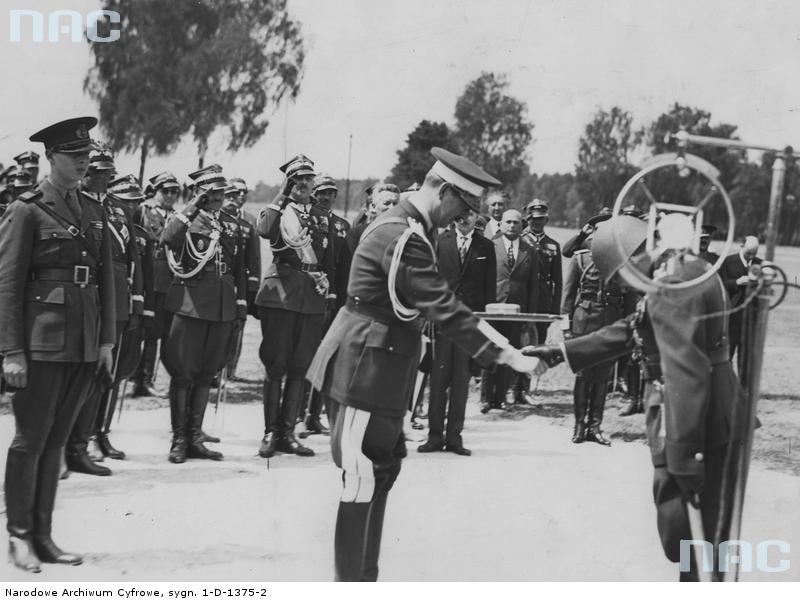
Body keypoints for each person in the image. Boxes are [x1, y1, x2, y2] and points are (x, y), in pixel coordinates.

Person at [306, 147, 544, 581]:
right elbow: (444, 307)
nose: (460, 219)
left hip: (380, 367)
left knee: (380, 471)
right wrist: (509, 356)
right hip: (364, 368)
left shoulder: (411, 226)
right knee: (361, 477)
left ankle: (364, 578)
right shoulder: (403, 235)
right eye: (461, 207)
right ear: (445, 191)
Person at [524, 215, 744, 581]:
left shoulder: (673, 283)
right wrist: (561, 352)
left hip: (696, 419)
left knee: (697, 528)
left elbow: (686, 372)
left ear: (632, 258)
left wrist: (685, 455)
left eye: (620, 276)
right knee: (692, 531)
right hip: (697, 413)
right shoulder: (676, 271)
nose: (624, 287)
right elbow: (635, 329)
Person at [0, 117, 116, 572]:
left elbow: (106, 279)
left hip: (84, 341)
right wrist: (10, 351)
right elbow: (7, 286)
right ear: (51, 157)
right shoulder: (27, 209)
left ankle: (45, 535)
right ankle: (19, 536)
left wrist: (106, 341)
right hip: (42, 342)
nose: (84, 162)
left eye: (87, 155)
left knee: (57, 441)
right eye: (75, 156)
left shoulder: (93, 207)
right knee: (30, 441)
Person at [160, 166, 247, 463]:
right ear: (199, 193)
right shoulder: (186, 219)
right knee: (183, 374)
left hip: (222, 304)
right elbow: (168, 238)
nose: (218, 197)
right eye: (211, 192)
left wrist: (240, 304)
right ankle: (179, 439)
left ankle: (196, 436)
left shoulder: (231, 223)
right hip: (191, 303)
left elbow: (239, 267)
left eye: (221, 192)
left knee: (207, 373)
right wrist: (194, 204)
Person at [64, 148, 143, 476]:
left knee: (104, 376)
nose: (102, 177)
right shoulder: (74, 204)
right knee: (75, 378)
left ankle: (89, 440)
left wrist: (137, 302)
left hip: (116, 302)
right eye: (97, 172)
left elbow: (133, 258)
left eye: (108, 173)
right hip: (86, 302)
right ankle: (66, 446)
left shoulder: (117, 208)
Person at [254, 155, 335, 458]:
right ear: (288, 182)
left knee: (300, 367)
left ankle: (288, 432)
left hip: (311, 298)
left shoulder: (321, 215)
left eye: (307, 177)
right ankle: (270, 432)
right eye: (296, 178)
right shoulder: (277, 210)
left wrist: (328, 292)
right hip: (281, 296)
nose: (303, 183)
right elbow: (265, 230)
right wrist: (281, 194)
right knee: (276, 367)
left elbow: (326, 259)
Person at [418, 207, 496, 455]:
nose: (464, 220)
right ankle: (434, 436)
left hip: (469, 323)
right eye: (460, 216)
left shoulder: (486, 247)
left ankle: (455, 438)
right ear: (453, 218)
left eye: (470, 216)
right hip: (442, 322)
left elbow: (489, 290)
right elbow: (432, 281)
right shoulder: (442, 242)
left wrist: (484, 325)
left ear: (477, 218)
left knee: (460, 382)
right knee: (438, 380)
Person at [560, 224, 629, 445]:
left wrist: (627, 328)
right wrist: (566, 328)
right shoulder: (581, 259)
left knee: (602, 378)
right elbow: (568, 295)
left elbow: (629, 298)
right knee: (583, 376)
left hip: (610, 323)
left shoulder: (622, 261)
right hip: (584, 323)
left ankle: (595, 426)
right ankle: (579, 427)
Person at [300, 173, 352, 437]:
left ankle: (313, 414)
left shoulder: (343, 225)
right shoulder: (304, 220)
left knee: (326, 359)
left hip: (333, 303)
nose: (326, 197)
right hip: (307, 298)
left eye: (331, 192)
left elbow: (344, 269)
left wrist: (342, 302)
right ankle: (297, 413)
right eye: (321, 192)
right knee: (304, 356)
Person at [480, 209, 539, 413]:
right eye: (508, 222)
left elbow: (533, 285)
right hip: (493, 308)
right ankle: (486, 398)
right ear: (501, 224)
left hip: (517, 310)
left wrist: (529, 315)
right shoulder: (490, 246)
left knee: (510, 351)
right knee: (490, 352)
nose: (512, 225)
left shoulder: (529, 250)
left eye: (516, 222)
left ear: (522, 225)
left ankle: (501, 398)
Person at [131, 171, 181, 397]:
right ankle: (141, 379)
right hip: (148, 280)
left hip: (171, 281)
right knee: (148, 332)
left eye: (174, 191)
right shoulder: (143, 211)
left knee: (164, 334)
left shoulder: (179, 216)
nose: (170, 195)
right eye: (166, 191)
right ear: (156, 191)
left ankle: (149, 378)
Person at [221, 179, 261, 381]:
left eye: (244, 192)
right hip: (222, 279)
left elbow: (254, 258)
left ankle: (231, 371)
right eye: (235, 192)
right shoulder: (217, 216)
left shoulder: (250, 221)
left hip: (241, 282)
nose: (240, 196)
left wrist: (253, 285)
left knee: (238, 326)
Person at [720, 236, 762, 370]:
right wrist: (737, 282)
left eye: (754, 254)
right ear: (741, 246)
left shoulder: (760, 264)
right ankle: (728, 386)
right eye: (748, 253)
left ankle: (744, 388)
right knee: (728, 353)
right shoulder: (727, 261)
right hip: (733, 315)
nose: (751, 257)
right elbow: (720, 285)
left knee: (747, 356)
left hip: (751, 316)